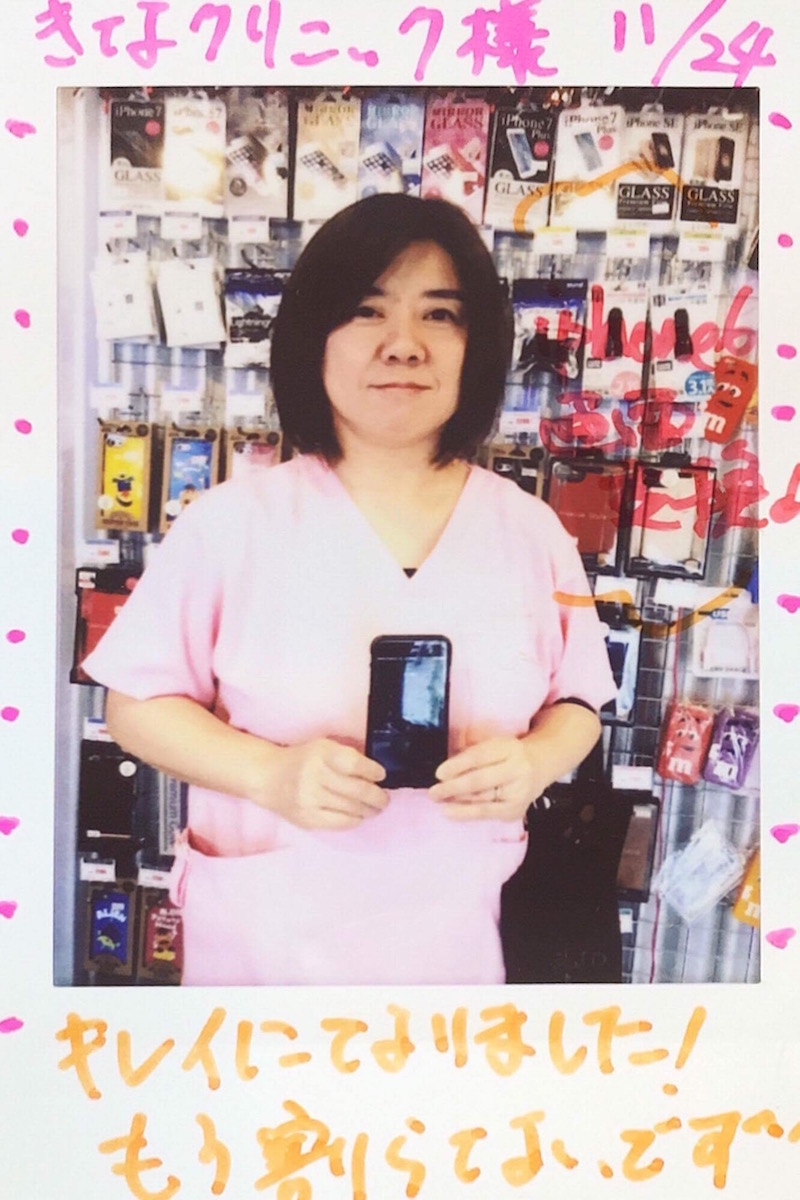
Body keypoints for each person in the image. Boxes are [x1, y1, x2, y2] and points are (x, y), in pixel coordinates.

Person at [83, 193, 616, 986]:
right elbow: (135, 707)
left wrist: (537, 761)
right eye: (367, 311)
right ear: (313, 338)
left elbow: (578, 702)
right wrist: (267, 775)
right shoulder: (229, 525)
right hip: (268, 947)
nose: (404, 345)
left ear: (476, 345)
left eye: (440, 315)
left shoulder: (530, 531)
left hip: (457, 940)